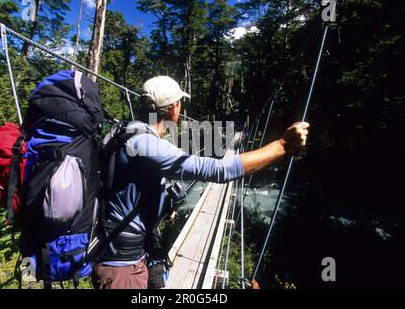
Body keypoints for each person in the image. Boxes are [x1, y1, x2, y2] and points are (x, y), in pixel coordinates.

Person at [92, 76, 309, 289]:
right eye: (180, 104)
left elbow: (128, 188)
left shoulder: (126, 131)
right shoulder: (144, 143)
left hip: (127, 252)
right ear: (174, 108)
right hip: (122, 267)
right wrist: (281, 147)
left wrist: (165, 206)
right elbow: (218, 169)